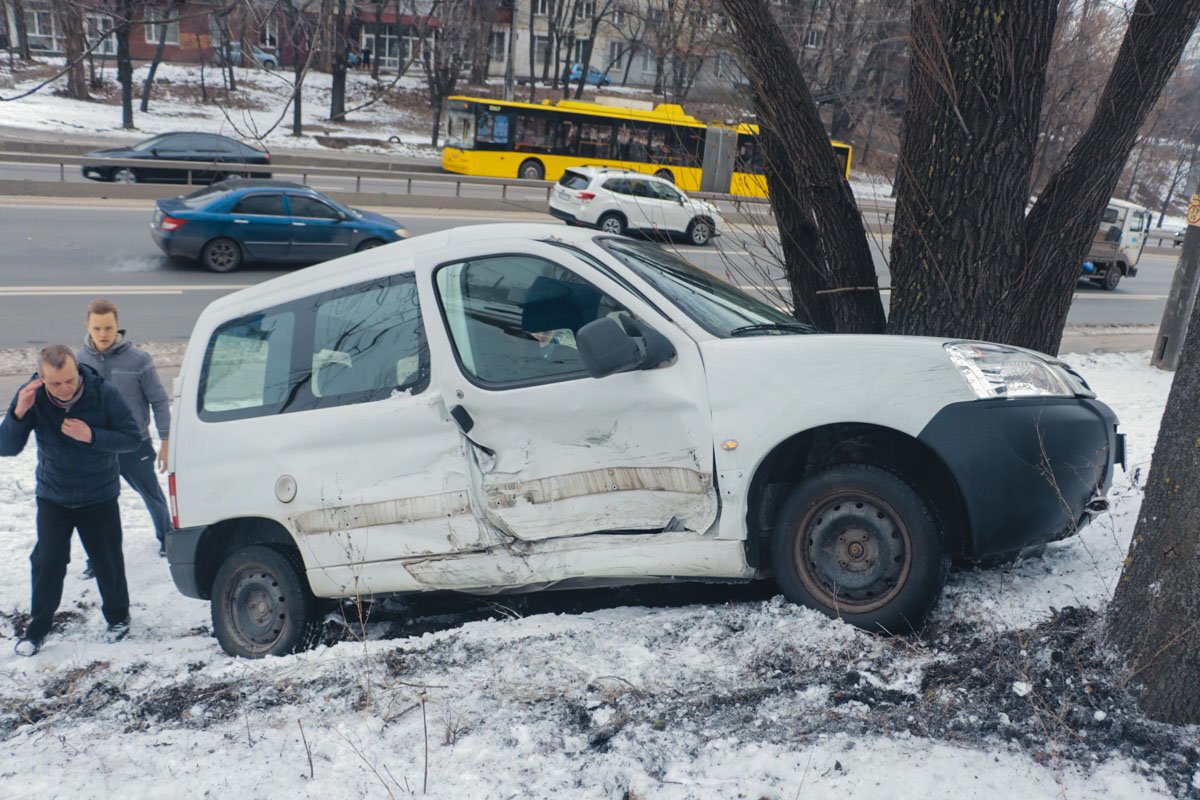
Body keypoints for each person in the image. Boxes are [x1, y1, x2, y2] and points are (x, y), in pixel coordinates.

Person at [1, 345, 141, 656]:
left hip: (99, 495)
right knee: (48, 562)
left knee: (108, 562)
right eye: (55, 383)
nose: (64, 389)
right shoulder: (31, 395)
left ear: (77, 370)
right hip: (54, 496)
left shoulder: (104, 394)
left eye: (70, 380)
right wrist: (19, 413)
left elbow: (131, 438)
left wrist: (92, 435)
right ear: (41, 378)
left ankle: (118, 618)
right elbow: (6, 448)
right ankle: (37, 630)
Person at [77, 299, 173, 560]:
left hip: (134, 443)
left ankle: (167, 538)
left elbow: (159, 400)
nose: (103, 334)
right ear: (88, 326)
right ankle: (97, 556)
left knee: (151, 493)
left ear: (117, 325)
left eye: (108, 327)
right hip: (96, 446)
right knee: (96, 504)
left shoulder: (138, 359)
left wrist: (166, 441)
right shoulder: (79, 360)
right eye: (97, 329)